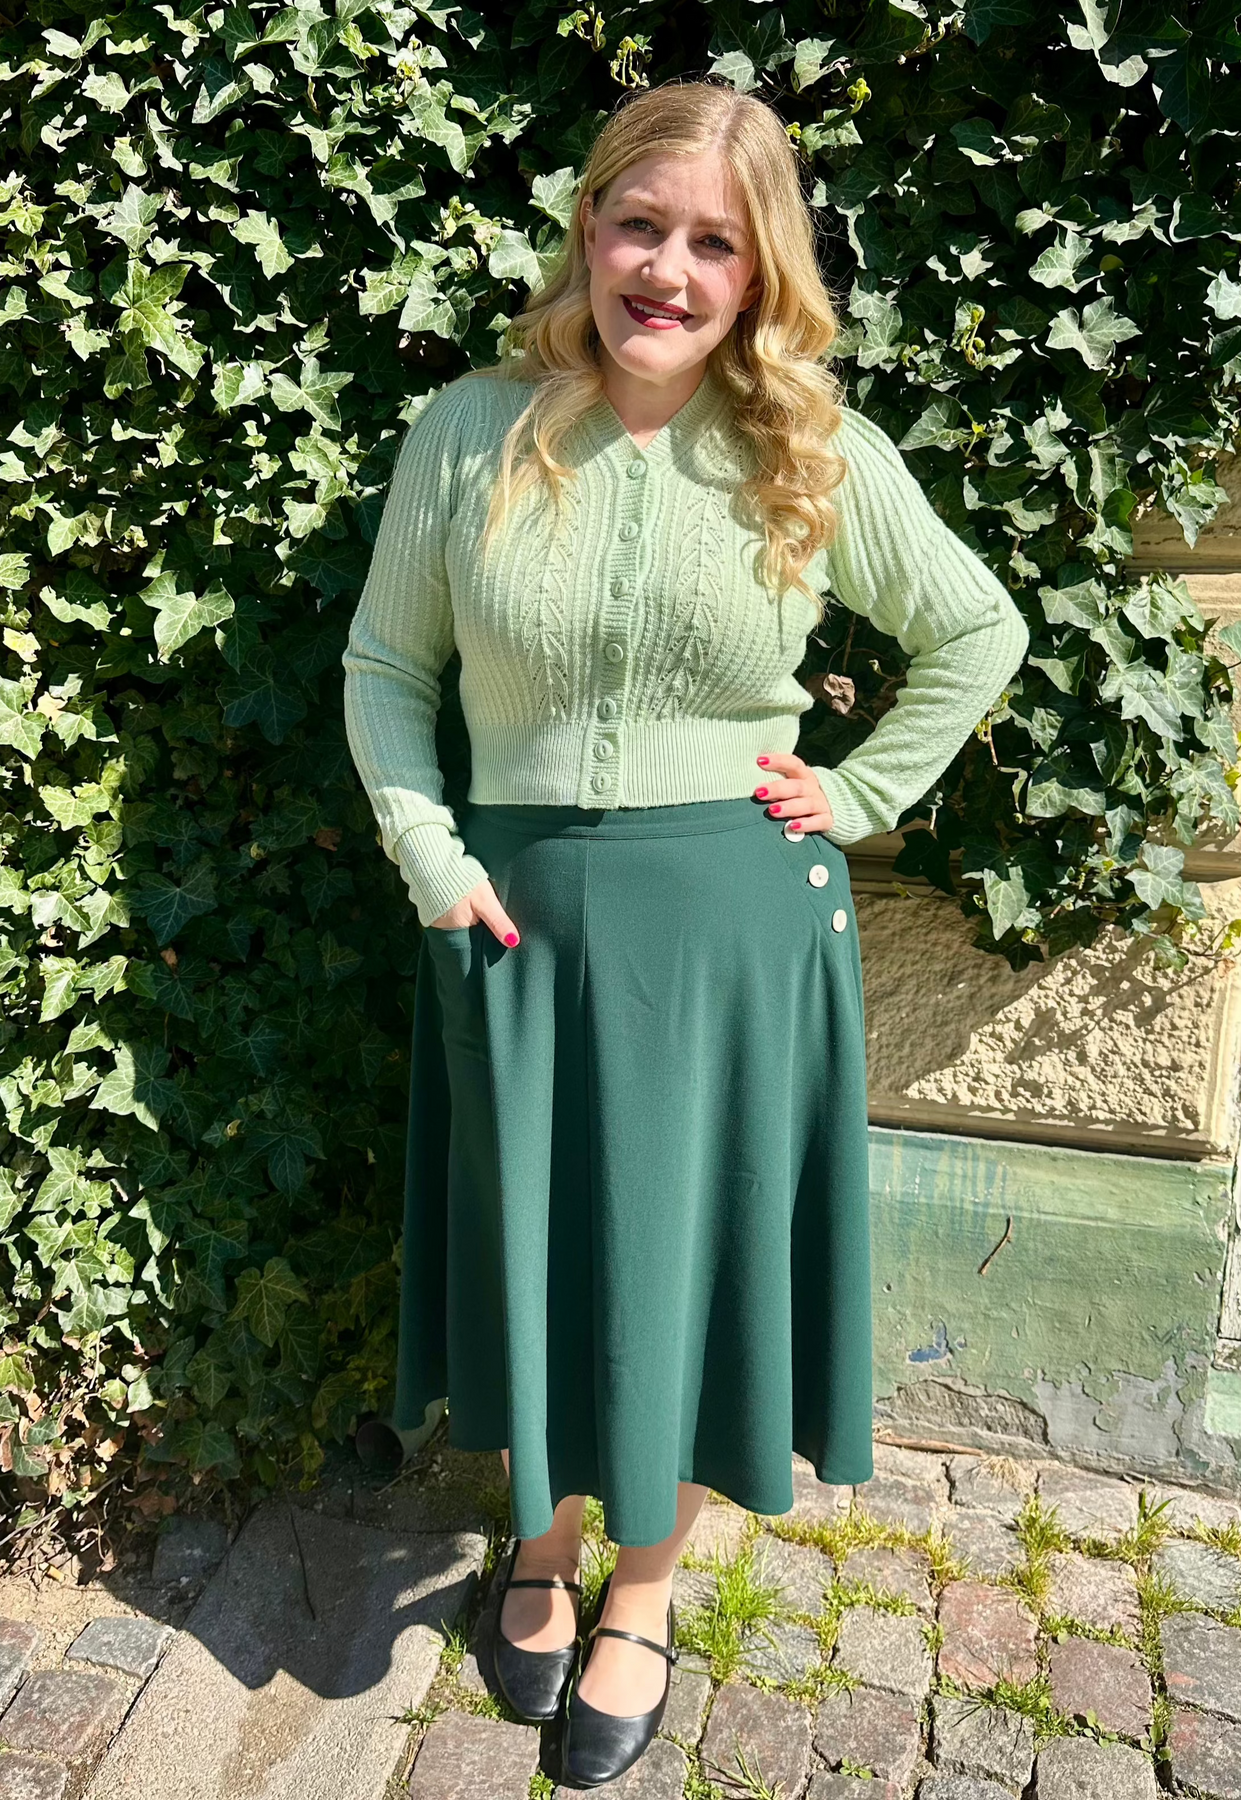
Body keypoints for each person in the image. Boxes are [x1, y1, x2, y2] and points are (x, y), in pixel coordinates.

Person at [342, 78, 1029, 1790]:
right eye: (641, 223)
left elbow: (976, 628)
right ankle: (541, 1546)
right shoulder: (469, 433)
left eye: (714, 241)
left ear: (760, 269)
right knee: (546, 1254)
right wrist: (430, 852)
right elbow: (385, 670)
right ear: (588, 227)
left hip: (735, 928)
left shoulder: (811, 450)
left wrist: (859, 794)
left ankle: (641, 1592)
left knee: (691, 1268)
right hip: (516, 923)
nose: (667, 268)